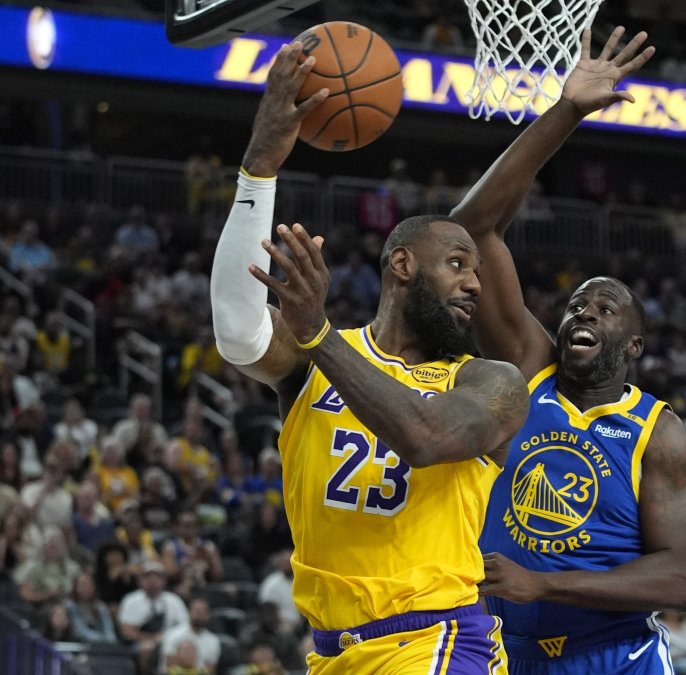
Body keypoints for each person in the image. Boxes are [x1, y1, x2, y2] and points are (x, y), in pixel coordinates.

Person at [209, 40, 529, 675]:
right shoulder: (315, 357)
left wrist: (318, 335)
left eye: (478, 273)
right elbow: (237, 331)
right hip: (333, 652)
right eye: (458, 263)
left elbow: (425, 436)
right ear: (402, 264)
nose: (474, 283)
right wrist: (259, 171)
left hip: (436, 641)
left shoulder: (492, 381)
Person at [462, 28, 686, 674]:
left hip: (616, 657)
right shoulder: (529, 367)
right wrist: (566, 112)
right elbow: (471, 231)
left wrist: (546, 584)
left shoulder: (660, 432)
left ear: (634, 343)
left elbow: (679, 577)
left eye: (604, 308)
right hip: (504, 654)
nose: (581, 312)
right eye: (575, 305)